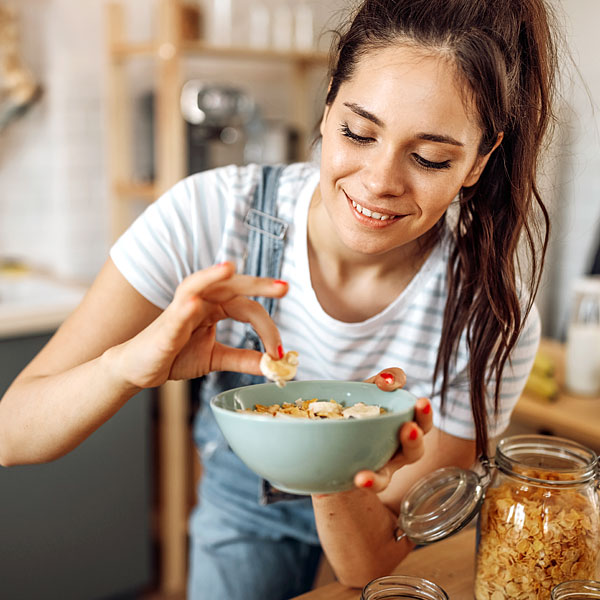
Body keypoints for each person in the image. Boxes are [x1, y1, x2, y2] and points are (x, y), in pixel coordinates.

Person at [0, 0, 559, 597]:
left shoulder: (491, 311)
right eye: (358, 132)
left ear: (479, 160)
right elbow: (13, 433)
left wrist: (330, 453)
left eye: (429, 158)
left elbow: (369, 566)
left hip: (365, 521)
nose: (379, 181)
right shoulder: (212, 215)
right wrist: (128, 366)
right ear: (326, 107)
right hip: (243, 513)